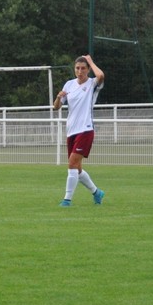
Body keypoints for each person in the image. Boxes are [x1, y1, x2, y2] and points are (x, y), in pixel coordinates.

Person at [53, 54, 106, 206]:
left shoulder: (92, 83)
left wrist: (90, 61)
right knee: (77, 168)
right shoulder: (69, 85)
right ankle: (97, 192)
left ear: (88, 70)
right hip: (71, 130)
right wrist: (58, 97)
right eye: (77, 68)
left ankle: (67, 200)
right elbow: (56, 107)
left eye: (83, 68)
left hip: (86, 129)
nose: (80, 71)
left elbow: (101, 75)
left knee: (71, 164)